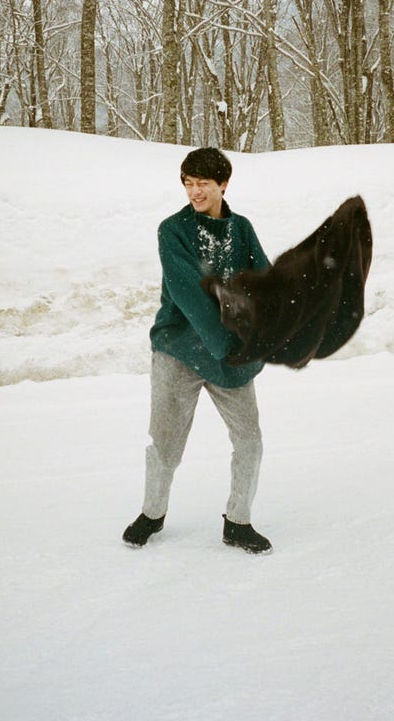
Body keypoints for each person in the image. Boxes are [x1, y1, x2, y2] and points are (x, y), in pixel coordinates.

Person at [123, 147, 273, 554]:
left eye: (202, 184)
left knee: (250, 440)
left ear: (223, 184)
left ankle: (238, 522)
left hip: (231, 357)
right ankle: (152, 513)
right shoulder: (172, 230)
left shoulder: (241, 229)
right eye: (188, 184)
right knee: (166, 442)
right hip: (180, 348)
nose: (194, 192)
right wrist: (227, 342)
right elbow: (188, 293)